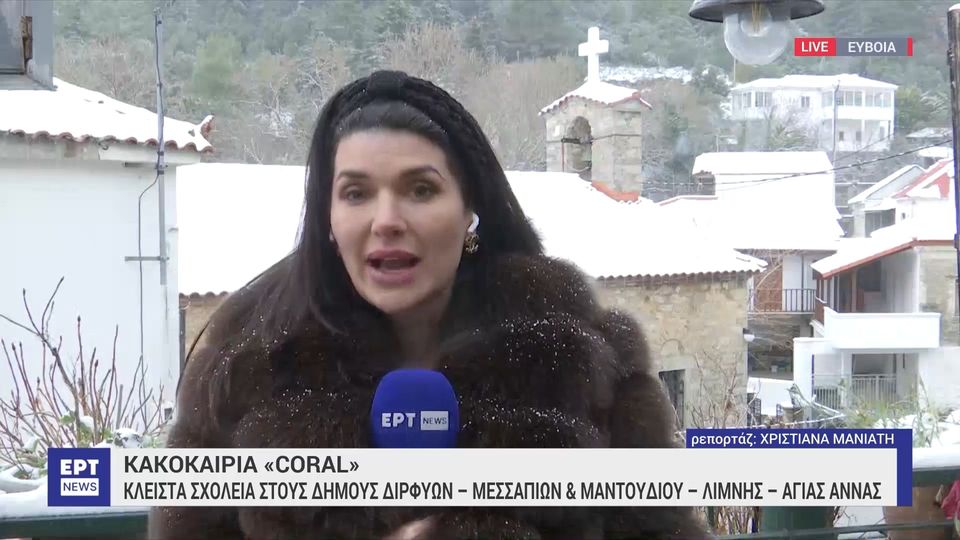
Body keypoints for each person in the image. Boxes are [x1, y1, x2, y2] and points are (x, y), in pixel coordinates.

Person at [148, 70, 712, 540]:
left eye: (421, 190)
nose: (386, 221)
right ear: (328, 218)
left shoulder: (583, 355)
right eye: (356, 193)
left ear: (470, 212)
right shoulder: (246, 364)